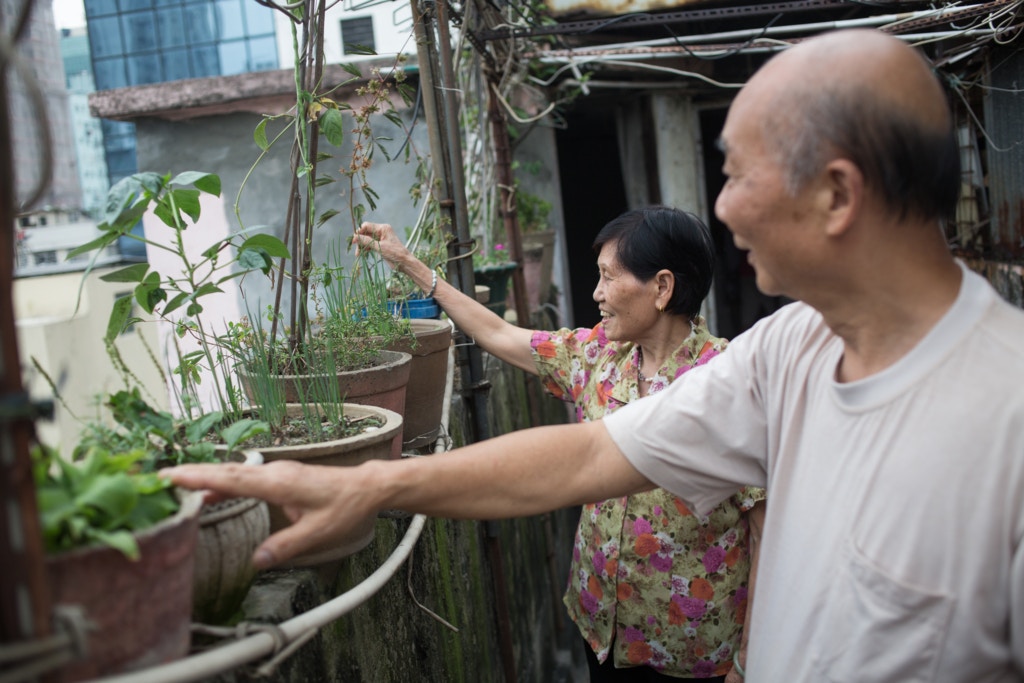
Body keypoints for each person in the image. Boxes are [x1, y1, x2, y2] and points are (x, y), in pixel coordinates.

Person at [167, 29, 1024, 681]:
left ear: (837, 193)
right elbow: (588, 451)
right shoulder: (785, 352)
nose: (722, 211)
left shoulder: (1005, 418)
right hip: (609, 624)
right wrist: (372, 481)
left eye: (737, 174)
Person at [354, 207, 765, 682]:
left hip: (692, 653)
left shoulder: (728, 381)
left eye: (608, 278)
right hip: (602, 629)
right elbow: (498, 333)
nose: (597, 294)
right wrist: (411, 265)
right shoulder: (597, 356)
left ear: (662, 287)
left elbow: (765, 530)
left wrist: (746, 660)